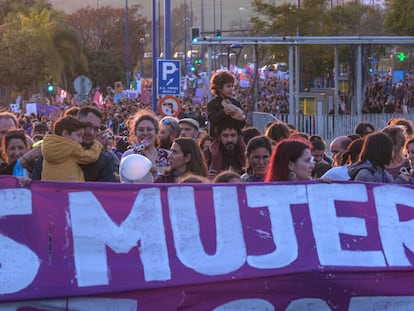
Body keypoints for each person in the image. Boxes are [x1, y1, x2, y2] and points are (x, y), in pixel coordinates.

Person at [32, 106, 116, 182]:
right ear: (76, 123)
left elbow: (107, 194)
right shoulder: (47, 157)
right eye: (87, 125)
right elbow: (36, 191)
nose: (91, 132)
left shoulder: (103, 161)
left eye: (96, 129)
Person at [41, 115, 102, 181]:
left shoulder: (48, 144)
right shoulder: (73, 147)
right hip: (71, 188)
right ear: (65, 133)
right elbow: (91, 157)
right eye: (78, 135)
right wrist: (97, 143)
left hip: (50, 189)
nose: (81, 140)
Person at [121, 110, 170, 181]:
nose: (145, 133)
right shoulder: (129, 155)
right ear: (135, 133)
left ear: (156, 133)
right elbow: (125, 186)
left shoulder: (168, 156)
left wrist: (154, 170)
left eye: (149, 129)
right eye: (141, 130)